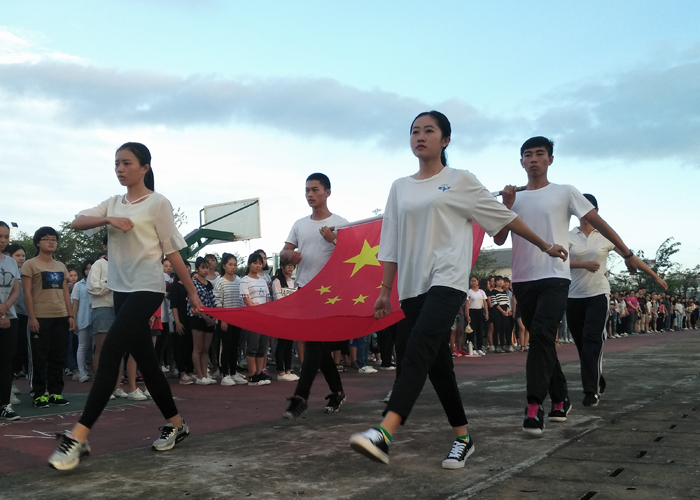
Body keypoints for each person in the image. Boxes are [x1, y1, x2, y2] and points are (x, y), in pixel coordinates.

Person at [349, 111, 567, 468]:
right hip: (412, 286)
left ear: (445, 140)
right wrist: (385, 290)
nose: (420, 136)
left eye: (429, 131)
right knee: (438, 367)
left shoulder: (460, 180)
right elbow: (390, 242)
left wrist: (544, 245)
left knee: (415, 347)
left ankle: (385, 431)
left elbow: (505, 218)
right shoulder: (400, 187)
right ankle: (463, 438)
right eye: (415, 131)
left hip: (448, 280)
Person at [47, 142, 203, 470]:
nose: (120, 168)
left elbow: (173, 252)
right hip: (120, 290)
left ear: (144, 167)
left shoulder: (158, 203)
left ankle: (78, 437)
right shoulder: (113, 203)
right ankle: (177, 424)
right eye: (116, 163)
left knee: (110, 353)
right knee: (146, 360)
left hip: (147, 288)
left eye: (127, 163)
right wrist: (110, 219)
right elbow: (77, 221)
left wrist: (191, 292)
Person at [494, 136, 639, 437]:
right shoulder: (514, 197)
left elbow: (600, 223)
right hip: (523, 279)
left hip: (555, 276)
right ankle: (560, 397)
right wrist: (506, 207)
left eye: (540, 154)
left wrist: (627, 253)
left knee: (541, 335)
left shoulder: (565, 192)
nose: (533, 159)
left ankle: (534, 406)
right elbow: (498, 239)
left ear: (550, 159)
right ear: (521, 162)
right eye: (528, 155)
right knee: (543, 340)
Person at [567, 194, 667, 407]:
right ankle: (597, 379)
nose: (583, 213)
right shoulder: (568, 236)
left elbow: (630, 256)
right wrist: (582, 265)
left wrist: (655, 276)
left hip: (598, 295)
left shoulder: (605, 236)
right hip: (573, 296)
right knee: (582, 345)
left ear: (595, 211)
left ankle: (590, 391)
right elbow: (558, 262)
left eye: (588, 208)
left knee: (592, 340)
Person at [281, 173, 348, 419]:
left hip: (330, 294)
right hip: (305, 291)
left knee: (314, 344)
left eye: (315, 190)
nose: (310, 194)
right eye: (307, 190)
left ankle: (301, 397)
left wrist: (335, 239)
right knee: (317, 346)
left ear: (327, 192)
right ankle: (337, 392)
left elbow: (352, 257)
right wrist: (290, 256)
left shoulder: (341, 223)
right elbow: (285, 252)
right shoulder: (299, 224)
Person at [22, 226, 74, 409]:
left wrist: (70, 315)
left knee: (58, 356)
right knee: (38, 357)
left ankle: (55, 393)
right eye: (46, 239)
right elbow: (27, 293)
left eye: (54, 239)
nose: (51, 242)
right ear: (38, 242)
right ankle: (38, 393)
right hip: (40, 317)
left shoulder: (61, 266)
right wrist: (32, 317)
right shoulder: (30, 264)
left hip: (60, 316)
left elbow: (65, 292)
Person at [213, 253, 248, 386]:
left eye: (235, 265)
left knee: (235, 346)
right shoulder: (220, 282)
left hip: (236, 319)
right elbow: (218, 302)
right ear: (224, 266)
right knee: (226, 347)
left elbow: (241, 300)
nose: (233, 267)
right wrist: (223, 320)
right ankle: (224, 374)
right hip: (225, 320)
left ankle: (233, 372)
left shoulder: (239, 281)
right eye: (230, 264)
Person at [240, 252, 272, 385]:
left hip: (262, 317)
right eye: (255, 263)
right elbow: (246, 299)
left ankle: (259, 373)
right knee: (252, 346)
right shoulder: (245, 280)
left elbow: (267, 299)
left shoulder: (263, 281)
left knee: (262, 347)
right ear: (249, 264)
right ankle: (252, 375)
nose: (258, 265)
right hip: (252, 317)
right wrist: (256, 310)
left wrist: (266, 312)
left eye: (260, 263)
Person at [0, 221, 21, 421]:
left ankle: (4, 404)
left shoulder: (11, 262)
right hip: (3, 316)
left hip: (10, 317)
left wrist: (5, 308)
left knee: (6, 363)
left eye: (6, 237)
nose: (3, 240)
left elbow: (16, 289)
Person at [189, 257, 217, 385]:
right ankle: (199, 375)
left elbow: (213, 301)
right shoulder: (193, 284)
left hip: (209, 318)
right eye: (202, 268)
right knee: (198, 348)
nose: (205, 270)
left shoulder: (209, 284)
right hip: (197, 318)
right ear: (197, 269)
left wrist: (213, 317)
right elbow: (194, 302)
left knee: (206, 349)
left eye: (207, 267)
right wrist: (205, 316)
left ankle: (205, 374)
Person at [271, 259, 299, 381]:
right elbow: (278, 298)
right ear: (282, 267)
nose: (290, 267)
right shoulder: (277, 281)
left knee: (289, 344)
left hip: (291, 317)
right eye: (288, 265)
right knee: (281, 344)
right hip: (281, 316)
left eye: (292, 265)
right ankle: (281, 371)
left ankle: (288, 370)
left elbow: (296, 299)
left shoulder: (293, 282)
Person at [70, 259, 94, 382]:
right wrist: (74, 319)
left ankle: (91, 369)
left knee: (94, 347)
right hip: (83, 318)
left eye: (91, 268)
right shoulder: (79, 285)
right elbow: (75, 303)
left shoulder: (98, 283)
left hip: (96, 318)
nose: (89, 271)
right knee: (82, 345)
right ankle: (81, 372)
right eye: (87, 268)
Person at [466, 276, 488, 356]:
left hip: (480, 311)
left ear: (478, 282)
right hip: (472, 311)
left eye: (475, 281)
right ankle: (473, 348)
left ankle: (479, 348)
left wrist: (486, 313)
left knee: (480, 330)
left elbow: (484, 302)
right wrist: (467, 314)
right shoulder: (469, 292)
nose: (473, 282)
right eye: (472, 281)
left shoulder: (481, 292)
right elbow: (467, 304)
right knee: (472, 331)